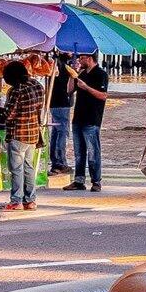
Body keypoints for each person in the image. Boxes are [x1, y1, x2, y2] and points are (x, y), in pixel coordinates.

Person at [0, 58, 49, 210]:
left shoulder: (17, 90)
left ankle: (16, 201)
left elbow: (9, 114)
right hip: (33, 133)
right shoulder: (38, 85)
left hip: (18, 134)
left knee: (17, 169)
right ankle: (30, 200)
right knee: (29, 167)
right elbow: (40, 108)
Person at [70, 53, 110, 193]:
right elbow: (69, 90)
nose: (80, 60)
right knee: (79, 152)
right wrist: (73, 75)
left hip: (92, 118)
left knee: (93, 152)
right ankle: (79, 180)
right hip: (78, 117)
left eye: (82, 58)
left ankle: (96, 181)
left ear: (89, 58)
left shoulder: (101, 74)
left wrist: (86, 87)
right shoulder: (81, 74)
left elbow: (103, 96)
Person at [47, 52, 74, 181]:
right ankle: (60, 162)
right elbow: (69, 87)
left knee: (56, 133)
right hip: (61, 102)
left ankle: (55, 161)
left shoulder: (58, 64)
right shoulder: (60, 65)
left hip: (54, 102)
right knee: (62, 132)